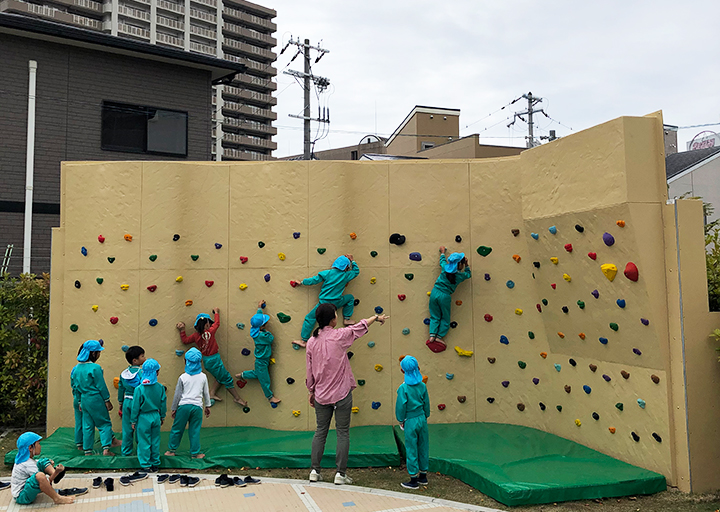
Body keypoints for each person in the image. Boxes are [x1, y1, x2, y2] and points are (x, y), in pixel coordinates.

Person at [305, 303, 389, 485]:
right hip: (342, 394)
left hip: (320, 394)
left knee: (320, 431)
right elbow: (359, 327)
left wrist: (311, 391)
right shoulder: (339, 336)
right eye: (335, 315)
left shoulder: (312, 341)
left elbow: (309, 370)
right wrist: (375, 317)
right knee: (342, 432)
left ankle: (314, 471)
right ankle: (340, 474)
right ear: (332, 319)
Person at [177, 308, 247, 406]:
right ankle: (237, 398)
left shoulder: (196, 335)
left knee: (219, 377)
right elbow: (217, 323)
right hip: (214, 360)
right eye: (209, 323)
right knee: (227, 379)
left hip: (207, 360)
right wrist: (217, 313)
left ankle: (212, 393)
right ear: (206, 324)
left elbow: (185, 341)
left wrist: (182, 330)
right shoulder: (210, 331)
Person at [293, 254, 360, 348]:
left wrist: (302, 282)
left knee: (310, 318)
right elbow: (356, 272)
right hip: (336, 302)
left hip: (323, 303)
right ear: (346, 267)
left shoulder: (327, 273)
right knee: (350, 298)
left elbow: (314, 280)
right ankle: (346, 319)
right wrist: (352, 261)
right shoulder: (346, 275)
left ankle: (304, 340)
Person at [71, 340, 120, 455]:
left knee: (87, 425)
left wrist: (79, 401)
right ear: (93, 353)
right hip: (95, 398)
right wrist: (107, 400)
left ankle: (87, 450)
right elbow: (101, 385)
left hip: (84, 399)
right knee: (104, 423)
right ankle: (106, 449)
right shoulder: (95, 368)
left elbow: (76, 387)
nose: (99, 354)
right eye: (98, 352)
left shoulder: (77, 368)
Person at [11, 432, 86, 504]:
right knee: (40, 476)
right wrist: (57, 472)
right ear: (30, 448)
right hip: (22, 497)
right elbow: (45, 481)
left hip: (26, 490)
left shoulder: (25, 460)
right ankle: (57, 498)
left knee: (43, 461)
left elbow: (38, 464)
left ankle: (54, 473)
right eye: (38, 444)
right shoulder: (27, 464)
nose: (40, 446)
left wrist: (49, 463)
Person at [165, 348, 211, 459]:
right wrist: (208, 406)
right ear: (200, 362)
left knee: (177, 428)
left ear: (186, 362)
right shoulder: (203, 377)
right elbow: (206, 392)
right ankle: (195, 453)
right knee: (194, 430)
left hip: (184, 406)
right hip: (197, 407)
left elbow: (178, 395)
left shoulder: (183, 377)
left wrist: (174, 408)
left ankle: (172, 450)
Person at [426, 247, 471, 353]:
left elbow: (442, 262)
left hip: (435, 292)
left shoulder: (444, 268)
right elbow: (469, 275)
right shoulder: (460, 276)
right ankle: (439, 336)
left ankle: (432, 335)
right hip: (445, 296)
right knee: (445, 317)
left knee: (435, 315)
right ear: (460, 264)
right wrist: (467, 266)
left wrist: (442, 253)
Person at [236, 300, 280, 405]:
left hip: (261, 360)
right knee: (264, 380)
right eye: (265, 323)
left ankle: (242, 375)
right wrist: (267, 332)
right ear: (261, 327)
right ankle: (270, 397)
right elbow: (271, 339)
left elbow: (257, 318)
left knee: (258, 374)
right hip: (262, 361)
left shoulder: (255, 329)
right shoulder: (261, 336)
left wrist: (259, 308)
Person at [396, 356, 430, 489]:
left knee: (411, 448)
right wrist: (425, 415)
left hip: (410, 420)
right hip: (422, 418)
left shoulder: (403, 388)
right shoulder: (422, 386)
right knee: (423, 445)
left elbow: (401, 406)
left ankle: (413, 479)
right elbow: (426, 403)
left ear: (402, 370)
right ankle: (423, 475)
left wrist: (401, 419)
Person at [131, 359, 166, 472]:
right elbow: (163, 403)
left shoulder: (139, 389)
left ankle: (146, 464)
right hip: (156, 415)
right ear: (156, 372)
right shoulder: (160, 387)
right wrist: (162, 416)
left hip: (143, 417)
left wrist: (133, 420)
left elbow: (135, 406)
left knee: (144, 441)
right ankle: (155, 463)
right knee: (155, 440)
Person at [118, 346, 145, 456]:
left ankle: (126, 451)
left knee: (127, 428)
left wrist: (120, 402)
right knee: (140, 427)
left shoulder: (123, 373)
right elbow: (144, 388)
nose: (144, 358)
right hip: (138, 403)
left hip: (126, 402)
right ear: (135, 360)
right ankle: (141, 451)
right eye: (142, 356)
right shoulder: (142, 373)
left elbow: (121, 389)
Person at [70, 346, 84, 451]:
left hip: (76, 397)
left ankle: (79, 443)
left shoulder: (75, 368)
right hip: (84, 397)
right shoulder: (90, 368)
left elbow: (73, 385)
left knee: (79, 421)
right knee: (88, 422)